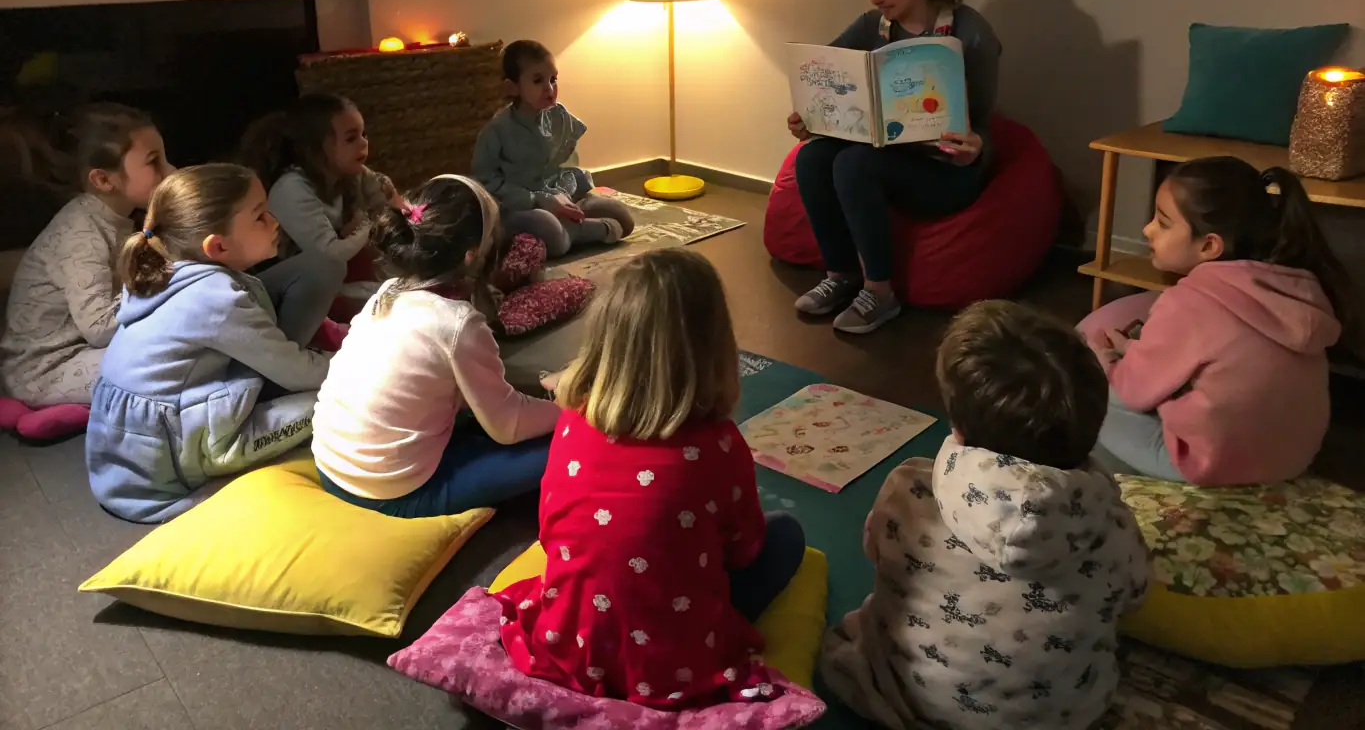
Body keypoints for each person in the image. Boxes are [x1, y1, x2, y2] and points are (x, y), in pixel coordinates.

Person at [496, 250, 806, 708]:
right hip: (672, 655)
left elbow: (549, 534)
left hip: (572, 640)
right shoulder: (718, 445)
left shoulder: (570, 420)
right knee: (786, 536)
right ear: (713, 347)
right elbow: (745, 550)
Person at [821, 301, 1149, 729]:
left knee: (853, 638)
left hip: (906, 697)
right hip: (1052, 720)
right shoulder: (1111, 524)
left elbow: (874, 551)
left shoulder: (909, 488)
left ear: (957, 427)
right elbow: (1135, 595)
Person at [788, 0, 1003, 334]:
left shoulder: (971, 33)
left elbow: (985, 124)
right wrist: (811, 117)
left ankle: (880, 292)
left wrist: (977, 147)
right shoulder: (872, 27)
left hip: (946, 172)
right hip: (890, 155)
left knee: (853, 164)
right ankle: (842, 274)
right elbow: (825, 73)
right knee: (813, 157)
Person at [86, 164, 327, 523]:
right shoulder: (215, 298)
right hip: (170, 456)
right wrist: (357, 363)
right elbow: (295, 369)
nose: (275, 221)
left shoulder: (162, 273)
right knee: (331, 400)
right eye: (260, 216)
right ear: (218, 245)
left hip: (125, 455)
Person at [1085, 157, 1349, 485]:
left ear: (1210, 245)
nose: (1147, 229)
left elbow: (1135, 390)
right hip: (1289, 461)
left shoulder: (1188, 303)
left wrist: (1105, 361)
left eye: (1163, 222)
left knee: (1088, 386)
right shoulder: (1297, 288)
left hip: (1213, 464)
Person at [312, 174, 561, 517]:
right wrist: (570, 409)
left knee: (478, 417)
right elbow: (509, 424)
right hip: (390, 491)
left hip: (330, 462)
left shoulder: (390, 290)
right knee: (567, 442)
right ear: (473, 256)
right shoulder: (458, 323)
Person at [1, 104, 173, 408]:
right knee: (165, 359)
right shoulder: (83, 232)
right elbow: (99, 327)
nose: (170, 172)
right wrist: (162, 282)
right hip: (45, 370)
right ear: (104, 180)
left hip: (84, 352)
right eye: (154, 162)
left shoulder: (119, 221)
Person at [240, 93, 401, 341]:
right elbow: (329, 256)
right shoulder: (292, 188)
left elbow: (389, 212)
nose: (363, 144)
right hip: (299, 290)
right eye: (351, 138)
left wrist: (387, 197)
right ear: (316, 148)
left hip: (338, 275)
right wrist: (368, 222)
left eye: (363, 134)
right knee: (389, 307)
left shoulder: (354, 175)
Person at [472, 39, 634, 258]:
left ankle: (573, 227)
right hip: (520, 207)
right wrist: (539, 200)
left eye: (553, 79)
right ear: (513, 87)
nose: (550, 89)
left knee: (624, 218)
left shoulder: (559, 117)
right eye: (538, 81)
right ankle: (588, 230)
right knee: (549, 229)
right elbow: (486, 183)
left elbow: (567, 163)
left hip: (560, 195)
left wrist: (565, 197)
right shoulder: (497, 130)